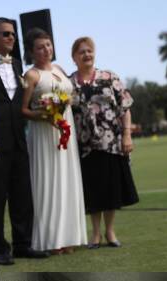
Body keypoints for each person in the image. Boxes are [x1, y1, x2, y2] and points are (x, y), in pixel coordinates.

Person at [0, 17, 49, 264]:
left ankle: (23, 244)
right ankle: (0, 249)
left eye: (13, 35)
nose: (11, 38)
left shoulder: (17, 63)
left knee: (22, 195)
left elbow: (19, 100)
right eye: (6, 34)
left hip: (19, 138)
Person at [21, 28, 87, 253]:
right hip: (43, 135)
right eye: (40, 47)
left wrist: (63, 105)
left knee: (67, 181)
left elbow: (69, 97)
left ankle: (70, 237)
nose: (46, 50)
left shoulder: (59, 69)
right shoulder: (31, 75)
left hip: (65, 132)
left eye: (48, 45)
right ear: (31, 51)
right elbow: (23, 109)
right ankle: (51, 241)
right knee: (48, 183)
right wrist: (45, 114)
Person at [70, 37, 139, 248]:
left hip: (111, 143)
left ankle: (110, 232)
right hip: (84, 147)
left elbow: (125, 108)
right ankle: (96, 234)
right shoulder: (68, 83)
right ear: (74, 57)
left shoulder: (109, 77)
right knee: (92, 190)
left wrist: (127, 135)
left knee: (111, 189)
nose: (86, 55)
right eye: (81, 52)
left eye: (89, 51)